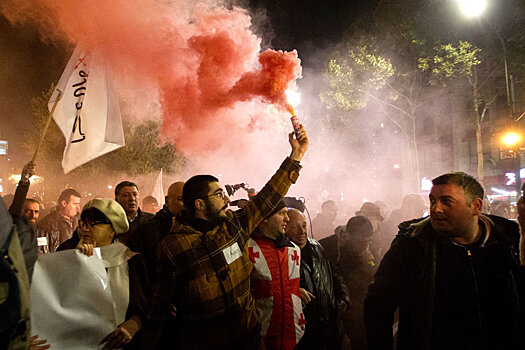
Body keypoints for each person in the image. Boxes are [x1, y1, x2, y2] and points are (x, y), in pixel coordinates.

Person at [146, 126, 308, 349]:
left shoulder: (233, 226)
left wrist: (296, 156)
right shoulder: (173, 246)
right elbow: (158, 307)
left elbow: (269, 196)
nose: (226, 198)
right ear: (199, 204)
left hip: (248, 339)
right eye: (218, 194)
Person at [364, 172, 525, 350]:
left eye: (446, 201)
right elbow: (378, 305)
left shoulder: (508, 239)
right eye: (433, 200)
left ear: (476, 206)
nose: (436, 209)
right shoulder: (412, 244)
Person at [76, 198, 149, 349]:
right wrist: (75, 260)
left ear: (113, 229)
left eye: (93, 224)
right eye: (83, 223)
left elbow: (144, 307)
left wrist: (134, 324)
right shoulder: (68, 253)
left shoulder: (131, 260)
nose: (86, 229)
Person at [286, 208, 350, 350]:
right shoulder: (282, 255)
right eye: (294, 227)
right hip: (305, 333)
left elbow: (334, 273)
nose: (302, 231)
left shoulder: (317, 246)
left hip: (330, 326)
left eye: (303, 225)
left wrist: (343, 298)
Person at [249, 201, 303, 349]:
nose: (287, 218)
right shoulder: (247, 249)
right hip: (261, 340)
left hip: (294, 336)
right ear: (265, 217)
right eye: (281, 213)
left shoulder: (294, 250)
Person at [321, 216, 377, 350]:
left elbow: (372, 274)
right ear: (348, 236)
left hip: (359, 308)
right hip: (338, 310)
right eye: (362, 241)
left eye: (368, 241)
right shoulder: (329, 248)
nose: (366, 246)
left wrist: (369, 262)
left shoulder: (367, 251)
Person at [127, 181, 185, 277]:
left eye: (190, 200)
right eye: (181, 199)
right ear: (167, 201)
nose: (186, 205)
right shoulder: (147, 230)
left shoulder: (198, 227)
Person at [36, 188, 81, 253]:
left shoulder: (79, 222)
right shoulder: (46, 224)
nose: (78, 207)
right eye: (75, 204)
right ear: (64, 203)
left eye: (78, 204)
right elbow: (42, 251)